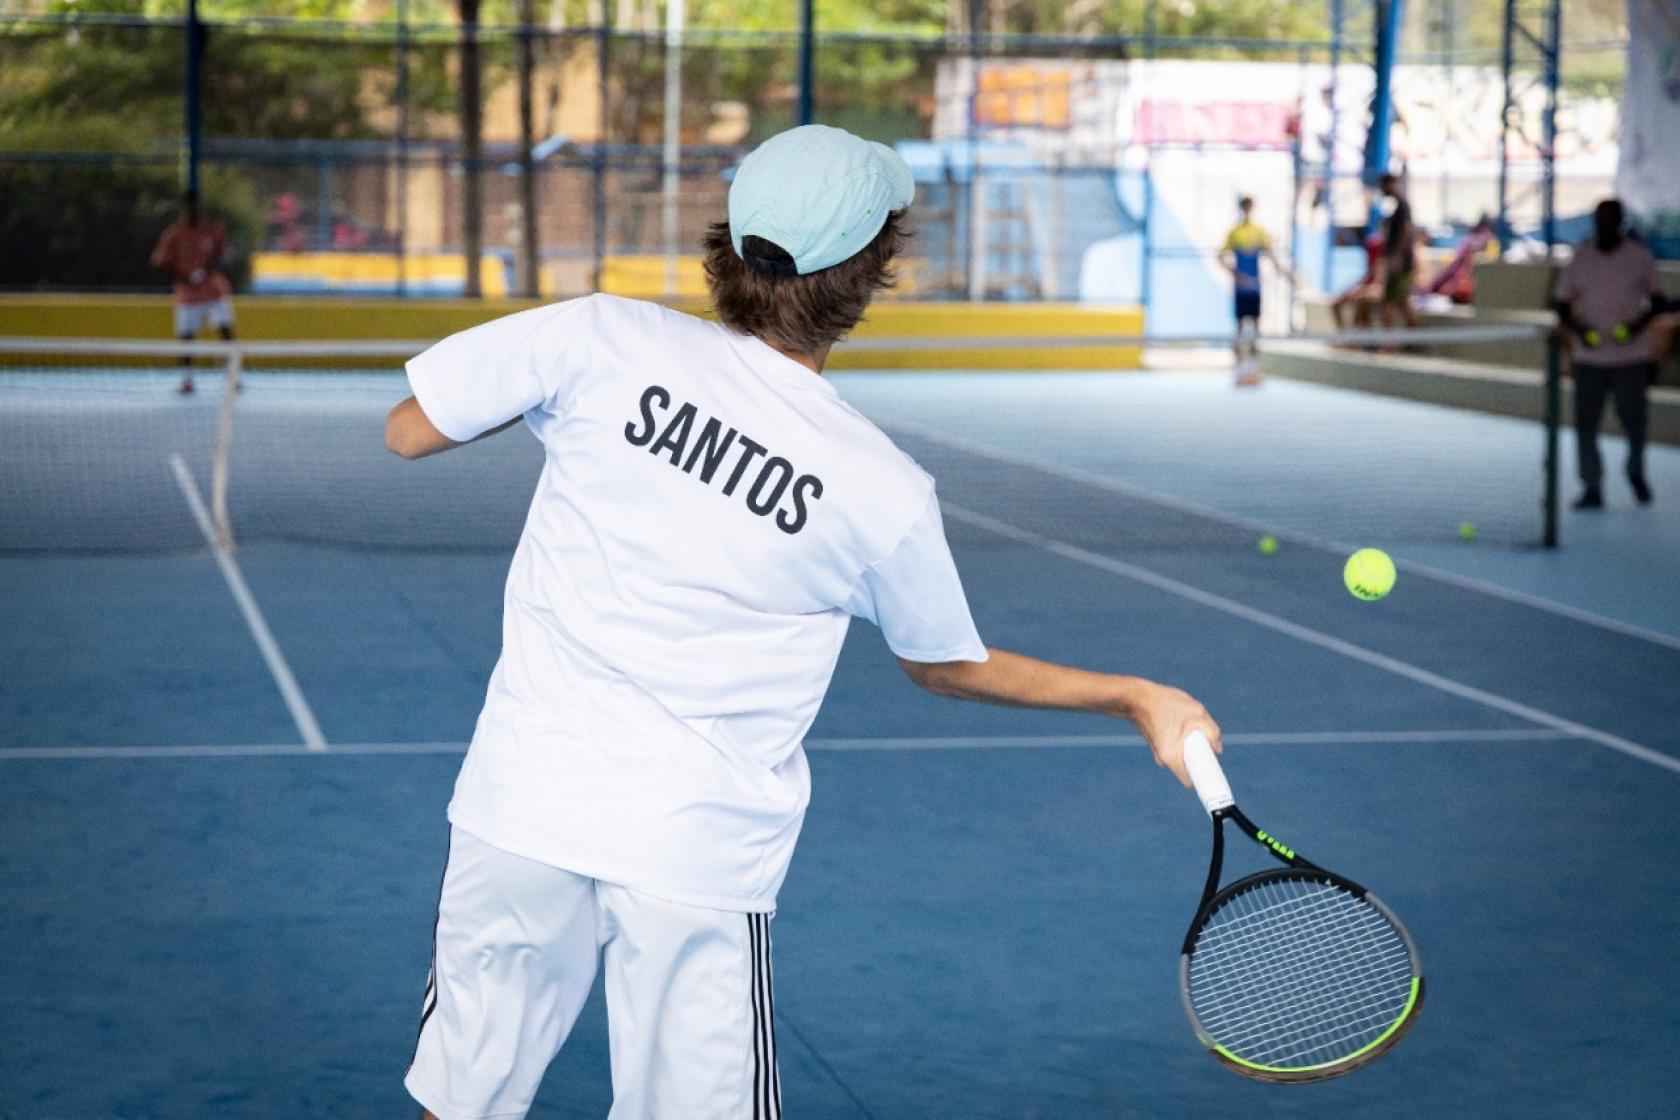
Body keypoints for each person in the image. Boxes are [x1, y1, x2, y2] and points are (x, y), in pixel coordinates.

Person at [384, 124, 1222, 1120]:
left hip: (519, 807)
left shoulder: (600, 338)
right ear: (870, 276)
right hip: (692, 853)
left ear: (729, 242)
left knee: (461, 1101)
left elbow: (408, 432)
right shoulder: (880, 488)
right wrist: (1138, 695)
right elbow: (946, 665)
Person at [1552, 199, 1668, 508]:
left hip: (1631, 357)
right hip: (1589, 360)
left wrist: (1635, 326)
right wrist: (1580, 332)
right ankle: (1592, 485)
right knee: (1586, 424)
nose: (1603, 225)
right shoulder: (1582, 257)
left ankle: (1635, 472)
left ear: (1619, 221)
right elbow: (1562, 304)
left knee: (1634, 421)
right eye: (1598, 219)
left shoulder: (1639, 257)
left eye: (1609, 219)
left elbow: (1657, 301)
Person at [150, 190, 235, 395]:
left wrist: (210, 269)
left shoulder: (213, 231)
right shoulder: (174, 234)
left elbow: (225, 257)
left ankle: (231, 375)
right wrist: (184, 277)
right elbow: (161, 263)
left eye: (196, 204)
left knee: (225, 330)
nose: (193, 209)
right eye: (189, 205)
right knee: (186, 337)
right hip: (188, 295)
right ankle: (187, 379)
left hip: (214, 292)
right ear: (185, 208)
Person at [1220, 196, 1289, 386]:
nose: (1247, 211)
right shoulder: (1234, 233)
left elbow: (1271, 255)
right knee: (1240, 326)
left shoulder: (1259, 232)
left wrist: (1283, 273)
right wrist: (1237, 275)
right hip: (1241, 288)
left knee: (1256, 326)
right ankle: (1239, 367)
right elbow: (1221, 256)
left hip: (1255, 287)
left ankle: (1253, 367)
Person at [1374, 173, 1416, 331]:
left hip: (1401, 262)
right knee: (1394, 300)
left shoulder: (1402, 205)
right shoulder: (1395, 206)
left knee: (1399, 300)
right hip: (1397, 260)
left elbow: (1406, 232)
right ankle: (1395, 340)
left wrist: (1397, 257)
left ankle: (1411, 339)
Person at [1426, 214, 1496, 305]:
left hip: (1460, 286)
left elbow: (1454, 265)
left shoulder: (1470, 240)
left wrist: (1434, 285)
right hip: (1476, 289)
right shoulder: (1492, 241)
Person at [1332, 232, 1386, 332]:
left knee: (1360, 301)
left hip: (1376, 289)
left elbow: (1379, 279)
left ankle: (1354, 335)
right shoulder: (1374, 247)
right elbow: (1369, 274)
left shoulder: (1384, 250)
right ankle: (1345, 336)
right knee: (1337, 302)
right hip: (1368, 287)